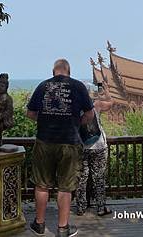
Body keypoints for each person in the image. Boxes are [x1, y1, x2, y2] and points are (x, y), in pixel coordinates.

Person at [26, 59, 94, 237]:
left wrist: (46, 120)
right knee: (65, 187)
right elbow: (90, 114)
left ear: (53, 71)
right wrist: (76, 123)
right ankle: (63, 228)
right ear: (68, 72)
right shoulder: (79, 87)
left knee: (41, 185)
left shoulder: (43, 86)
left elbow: (30, 113)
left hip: (45, 141)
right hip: (70, 142)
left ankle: (39, 224)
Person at [75, 83, 113, 217]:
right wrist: (106, 90)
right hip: (99, 146)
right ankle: (101, 207)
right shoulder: (96, 104)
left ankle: (81, 207)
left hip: (81, 148)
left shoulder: (74, 108)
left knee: (82, 178)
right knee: (99, 177)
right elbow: (110, 103)